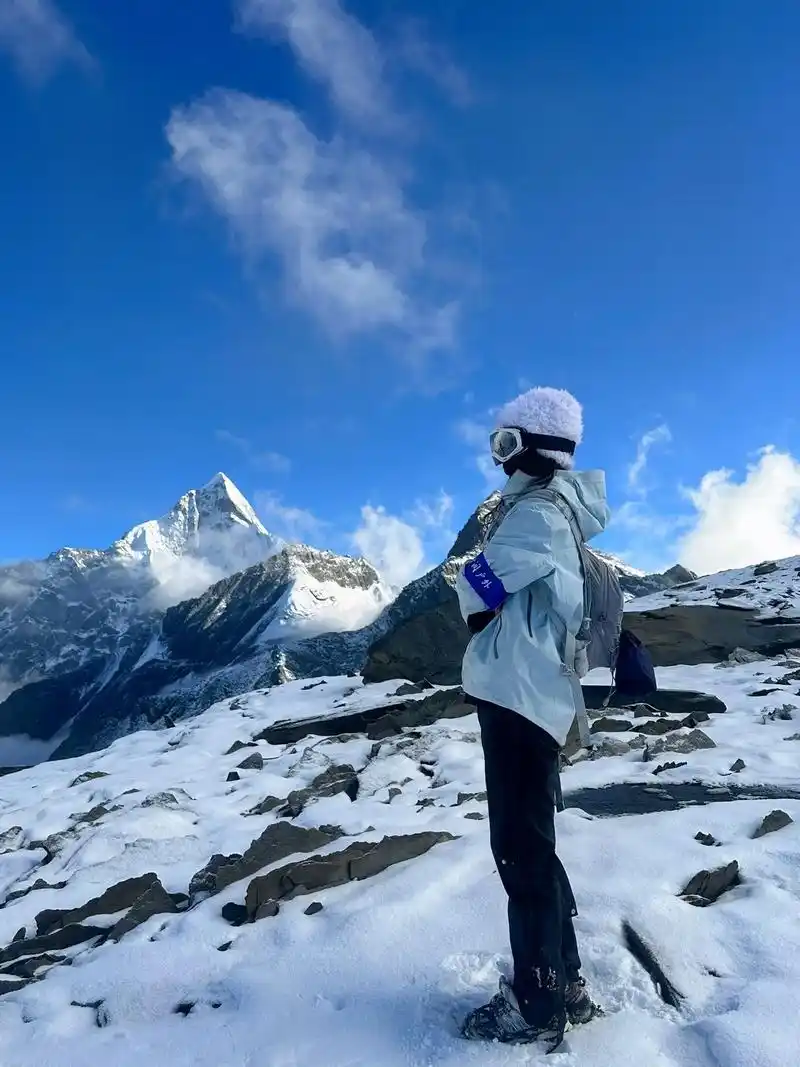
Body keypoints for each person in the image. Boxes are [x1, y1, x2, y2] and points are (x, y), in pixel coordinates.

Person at [455, 386, 608, 1052]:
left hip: (518, 696)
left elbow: (484, 581)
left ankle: (538, 1000)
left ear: (532, 449)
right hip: (531, 695)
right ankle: (564, 980)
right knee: (534, 846)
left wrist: (470, 581)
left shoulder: (535, 516)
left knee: (520, 851)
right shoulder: (555, 514)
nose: (498, 459)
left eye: (504, 443)